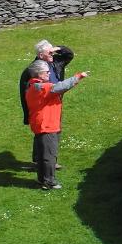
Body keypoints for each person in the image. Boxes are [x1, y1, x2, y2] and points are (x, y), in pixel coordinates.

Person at [23, 59, 89, 191]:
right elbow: (60, 87)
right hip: (47, 126)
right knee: (49, 156)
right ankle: (49, 182)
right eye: (46, 72)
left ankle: (42, 179)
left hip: (40, 124)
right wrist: (78, 76)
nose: (49, 74)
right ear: (39, 74)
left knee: (43, 156)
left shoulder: (33, 86)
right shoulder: (42, 87)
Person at [19, 39, 74, 126]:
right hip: (42, 107)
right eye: (49, 52)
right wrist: (27, 116)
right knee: (46, 131)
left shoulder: (56, 61)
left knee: (55, 129)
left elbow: (69, 55)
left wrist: (57, 48)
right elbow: (23, 93)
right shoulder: (31, 70)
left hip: (56, 102)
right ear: (41, 55)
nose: (52, 54)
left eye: (52, 52)